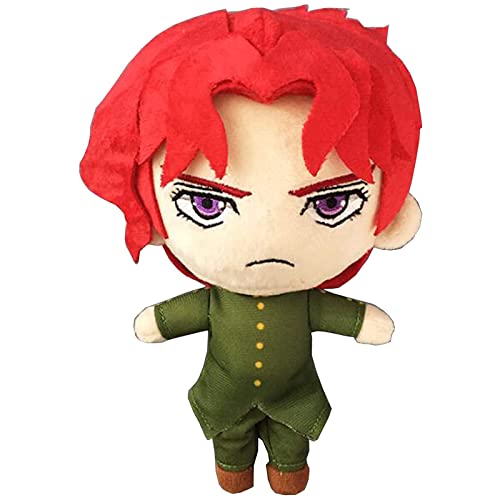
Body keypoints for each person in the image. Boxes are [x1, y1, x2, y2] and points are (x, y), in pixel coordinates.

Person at [81, 6, 422, 495]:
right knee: (229, 440)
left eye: (330, 203)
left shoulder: (300, 299)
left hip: (294, 397)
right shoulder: (218, 300)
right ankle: (234, 469)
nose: (268, 235)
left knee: (291, 441)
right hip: (224, 397)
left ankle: (288, 469)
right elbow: (184, 314)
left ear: (392, 215)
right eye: (206, 203)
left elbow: (332, 313)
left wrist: (359, 320)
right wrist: (161, 320)